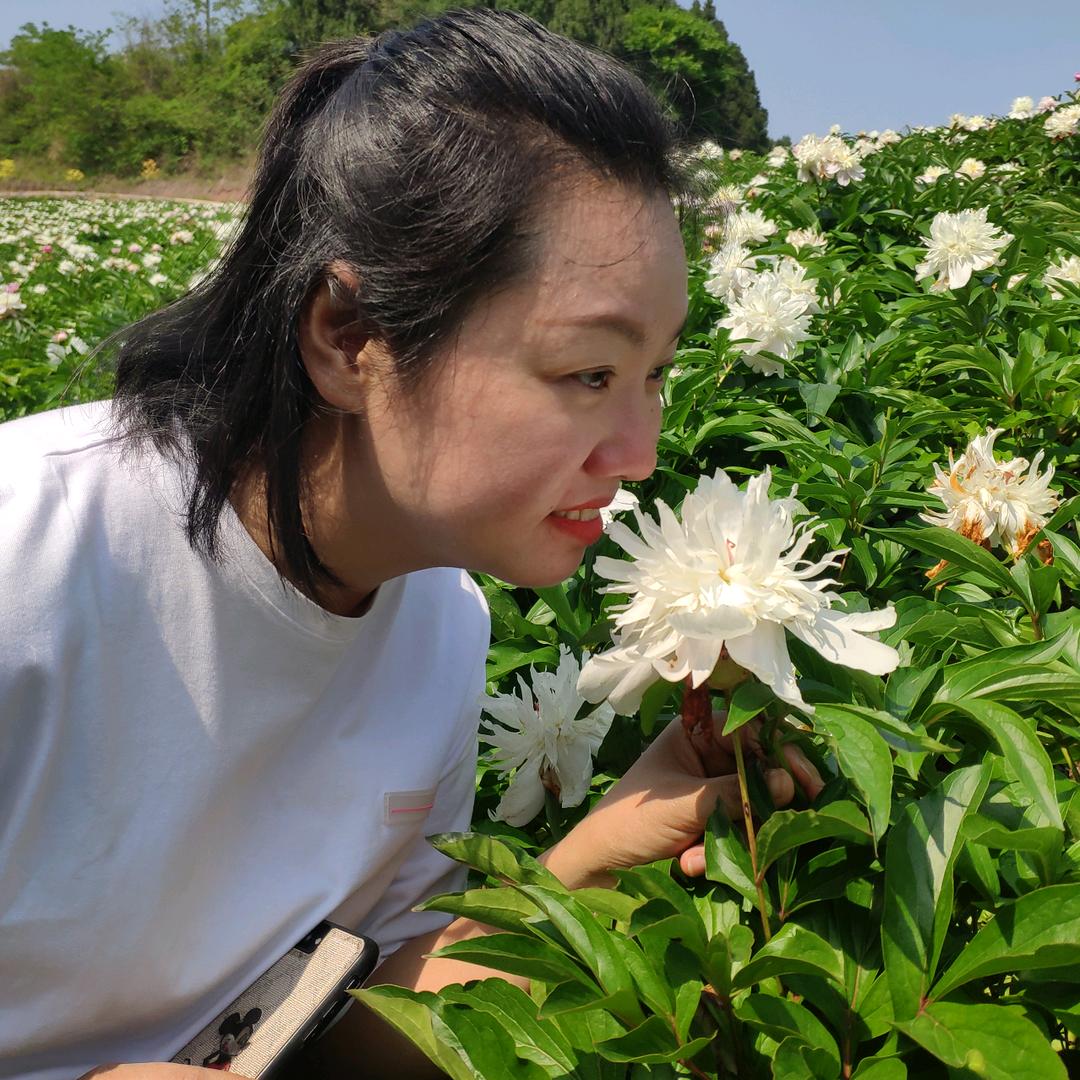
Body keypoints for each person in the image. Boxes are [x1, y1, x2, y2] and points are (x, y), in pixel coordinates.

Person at [0, 9, 822, 1079]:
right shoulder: (32, 553)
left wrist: (599, 850)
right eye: (588, 374)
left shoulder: (443, 619)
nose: (639, 453)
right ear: (349, 335)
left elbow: (349, 1027)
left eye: (654, 373)